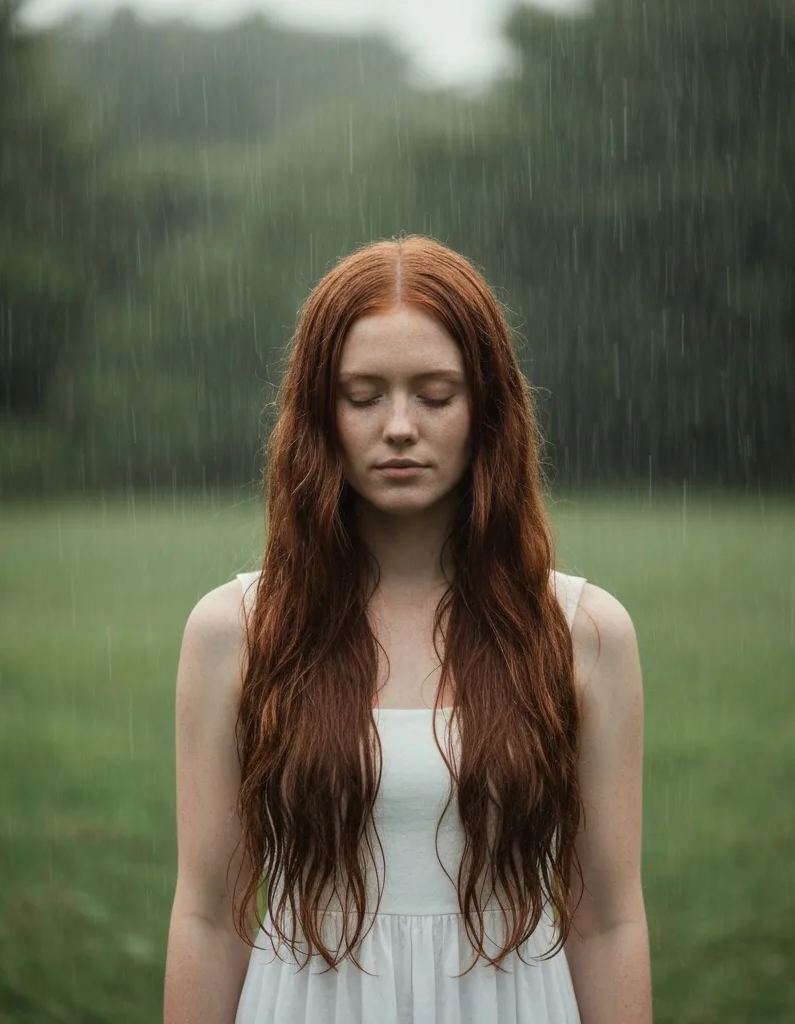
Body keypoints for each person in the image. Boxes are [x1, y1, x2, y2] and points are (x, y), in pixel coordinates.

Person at [163, 235, 651, 1024]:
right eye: (362, 395)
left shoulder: (585, 633)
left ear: (487, 407)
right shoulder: (236, 632)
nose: (398, 426)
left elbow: (608, 921)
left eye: (434, 394)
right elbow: (209, 916)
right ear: (320, 412)